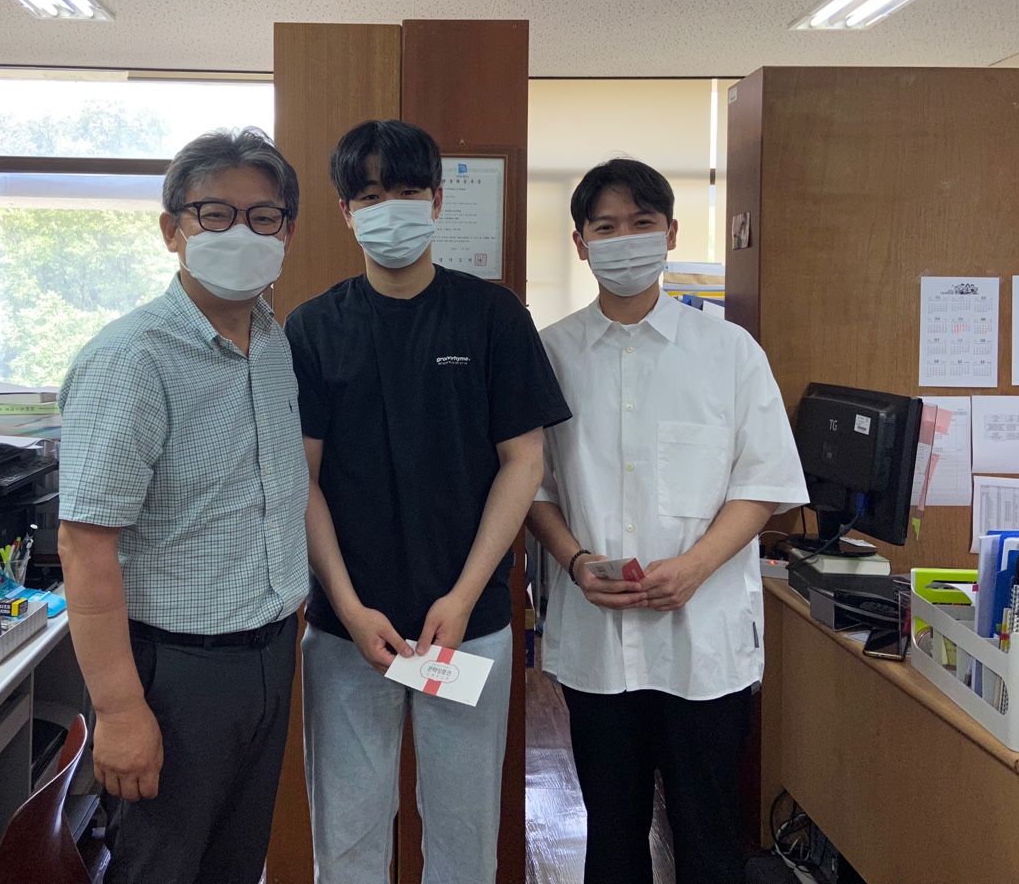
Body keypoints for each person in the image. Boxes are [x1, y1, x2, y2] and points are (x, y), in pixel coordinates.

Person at [285, 119, 571, 884]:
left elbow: (524, 461)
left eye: (408, 191)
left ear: (438, 200)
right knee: (346, 839)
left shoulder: (493, 316)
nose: (391, 209)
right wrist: (349, 607)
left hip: (468, 627)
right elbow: (301, 479)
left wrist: (465, 593)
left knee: (464, 835)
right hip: (348, 632)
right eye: (371, 195)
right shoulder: (312, 328)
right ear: (346, 211)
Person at [526, 158, 808, 884]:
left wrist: (695, 566)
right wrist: (574, 559)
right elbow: (532, 486)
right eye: (606, 227)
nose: (625, 239)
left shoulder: (729, 352)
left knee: (707, 834)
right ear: (581, 243)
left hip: (702, 641)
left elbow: (763, 484)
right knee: (611, 834)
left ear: (671, 233)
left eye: (642, 223)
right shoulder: (550, 354)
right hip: (598, 640)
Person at [56, 127, 309, 884]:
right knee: (159, 868)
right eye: (216, 214)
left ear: (287, 232)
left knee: (234, 865)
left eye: (263, 217)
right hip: (173, 674)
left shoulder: (273, 342)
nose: (242, 233)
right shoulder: (131, 358)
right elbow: (85, 545)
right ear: (173, 230)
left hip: (269, 653)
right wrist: (120, 710)